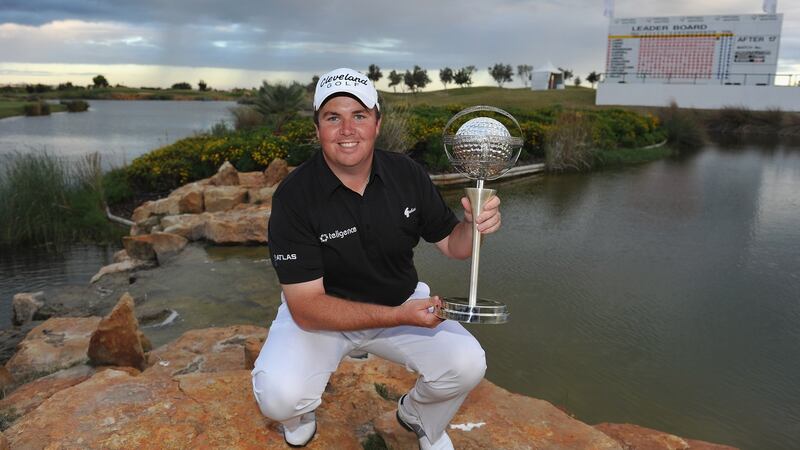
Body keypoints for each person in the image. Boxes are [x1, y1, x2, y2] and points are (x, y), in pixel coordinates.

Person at [251, 67, 502, 450]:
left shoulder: (407, 173)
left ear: (377, 123)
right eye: (333, 118)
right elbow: (305, 307)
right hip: (323, 316)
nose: (347, 130)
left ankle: (419, 416)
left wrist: (472, 225)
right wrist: (399, 316)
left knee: (467, 364)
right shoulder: (294, 196)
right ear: (317, 129)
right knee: (279, 397)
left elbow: (455, 247)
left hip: (399, 302)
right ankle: (300, 414)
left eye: (359, 115)